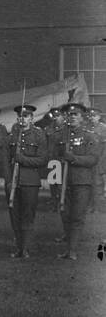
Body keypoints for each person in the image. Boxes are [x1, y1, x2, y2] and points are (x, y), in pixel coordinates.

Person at [56, 103, 102, 261]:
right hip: (64, 181)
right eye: (70, 114)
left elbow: (93, 159)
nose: (73, 116)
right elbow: (54, 156)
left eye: (76, 114)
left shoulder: (89, 136)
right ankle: (68, 248)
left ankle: (72, 250)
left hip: (81, 182)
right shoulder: (62, 135)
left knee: (77, 217)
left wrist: (74, 159)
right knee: (65, 216)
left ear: (82, 118)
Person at [7, 104, 48, 259]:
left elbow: (42, 159)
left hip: (30, 181)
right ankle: (18, 247)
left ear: (31, 118)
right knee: (15, 215)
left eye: (25, 116)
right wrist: (8, 178)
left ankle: (25, 248)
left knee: (27, 215)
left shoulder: (38, 135)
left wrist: (22, 159)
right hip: (14, 181)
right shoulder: (13, 135)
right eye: (20, 117)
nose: (22, 119)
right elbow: (5, 158)